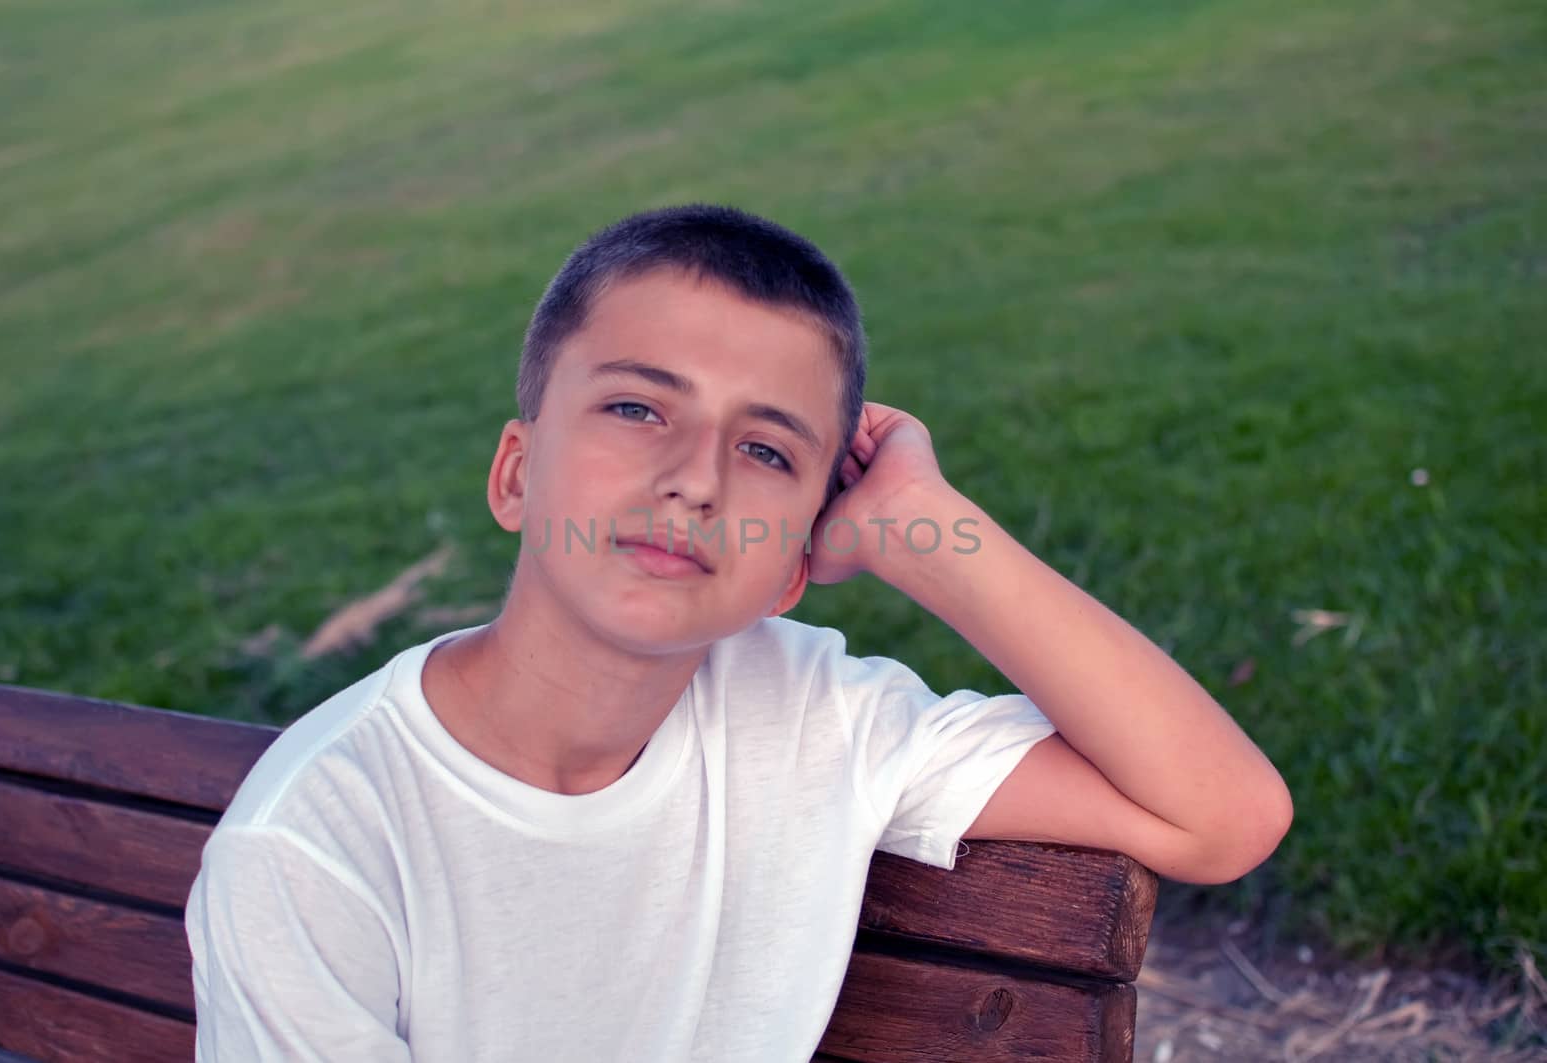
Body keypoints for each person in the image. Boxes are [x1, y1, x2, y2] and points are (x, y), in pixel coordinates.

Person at [185, 203, 1292, 1061]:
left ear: (796, 563)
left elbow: (1221, 816)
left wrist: (924, 530)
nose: (695, 479)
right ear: (518, 473)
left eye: (766, 450)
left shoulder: (816, 715)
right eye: (636, 408)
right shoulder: (314, 848)